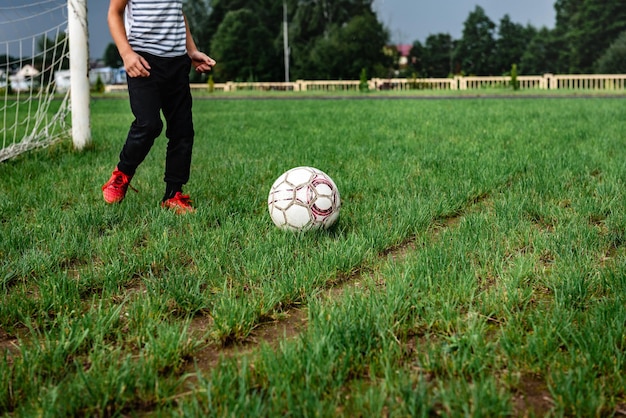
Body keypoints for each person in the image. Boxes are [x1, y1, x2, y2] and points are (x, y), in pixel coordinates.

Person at [101, 0, 215, 214]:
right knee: (149, 124)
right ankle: (122, 174)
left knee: (182, 130)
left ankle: (173, 195)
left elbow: (177, 14)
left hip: (177, 62)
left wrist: (191, 51)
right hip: (142, 60)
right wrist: (126, 54)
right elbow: (114, 13)